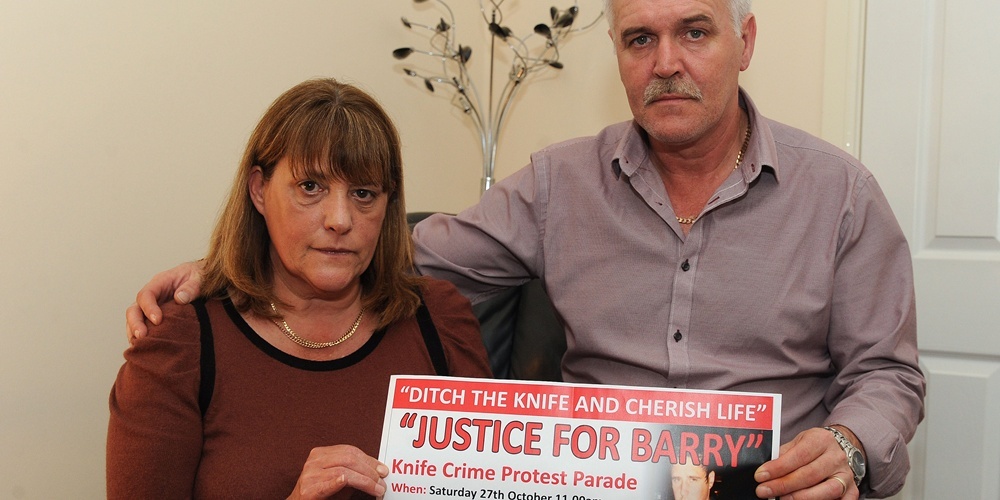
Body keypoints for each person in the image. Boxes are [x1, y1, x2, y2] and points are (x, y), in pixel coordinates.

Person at [126, 1, 925, 498]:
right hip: (601, 487)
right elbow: (396, 250)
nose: (666, 63)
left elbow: (888, 374)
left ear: (745, 41)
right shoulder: (558, 185)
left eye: (695, 33)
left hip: (775, 487)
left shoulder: (841, 195)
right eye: (640, 38)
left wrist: (849, 450)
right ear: (616, 52)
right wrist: (242, 266)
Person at [107, 78, 492, 499]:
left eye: (364, 193)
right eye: (311, 187)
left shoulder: (440, 320)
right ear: (259, 190)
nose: (340, 219)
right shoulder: (179, 342)